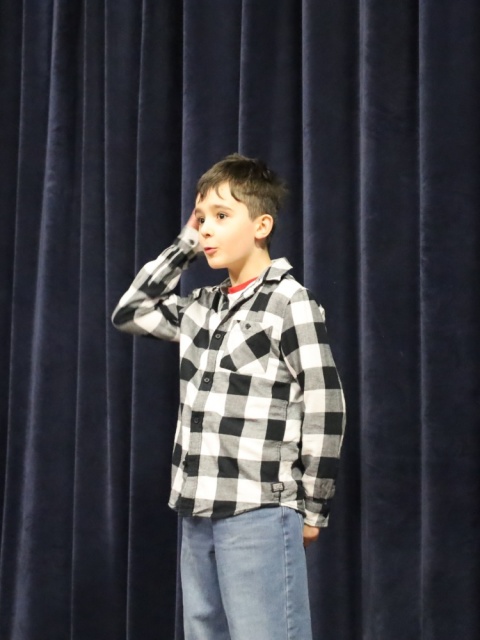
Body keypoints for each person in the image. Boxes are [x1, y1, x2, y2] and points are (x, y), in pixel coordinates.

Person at [112, 153, 346, 640]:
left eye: (221, 216)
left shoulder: (289, 302)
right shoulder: (202, 307)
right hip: (197, 509)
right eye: (201, 218)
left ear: (261, 225)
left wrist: (313, 506)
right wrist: (185, 244)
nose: (207, 229)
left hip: (258, 509)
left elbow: (325, 404)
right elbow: (130, 311)